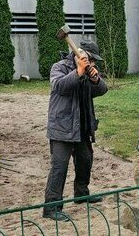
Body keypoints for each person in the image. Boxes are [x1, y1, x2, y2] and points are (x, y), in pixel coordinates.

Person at [43, 40, 108, 222]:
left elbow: (102, 90)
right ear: (81, 55)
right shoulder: (60, 67)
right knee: (59, 166)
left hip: (81, 127)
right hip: (62, 127)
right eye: (92, 60)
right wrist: (77, 72)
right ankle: (51, 207)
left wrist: (95, 79)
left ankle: (81, 193)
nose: (94, 64)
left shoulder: (89, 71)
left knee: (85, 160)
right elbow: (59, 87)